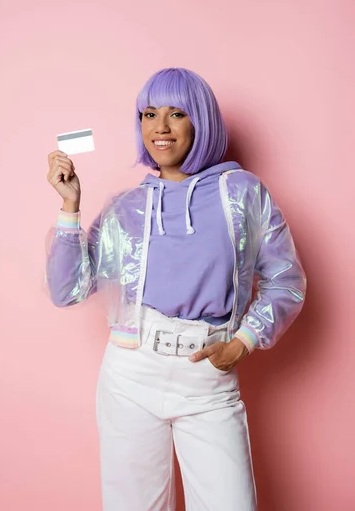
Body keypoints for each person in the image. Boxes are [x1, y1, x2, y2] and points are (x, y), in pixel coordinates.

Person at [45, 67, 307, 511]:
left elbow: (287, 280)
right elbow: (68, 289)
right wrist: (70, 206)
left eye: (176, 113)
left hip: (208, 377)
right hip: (129, 376)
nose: (159, 128)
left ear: (200, 121)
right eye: (148, 114)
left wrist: (242, 343)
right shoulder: (125, 208)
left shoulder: (241, 193)